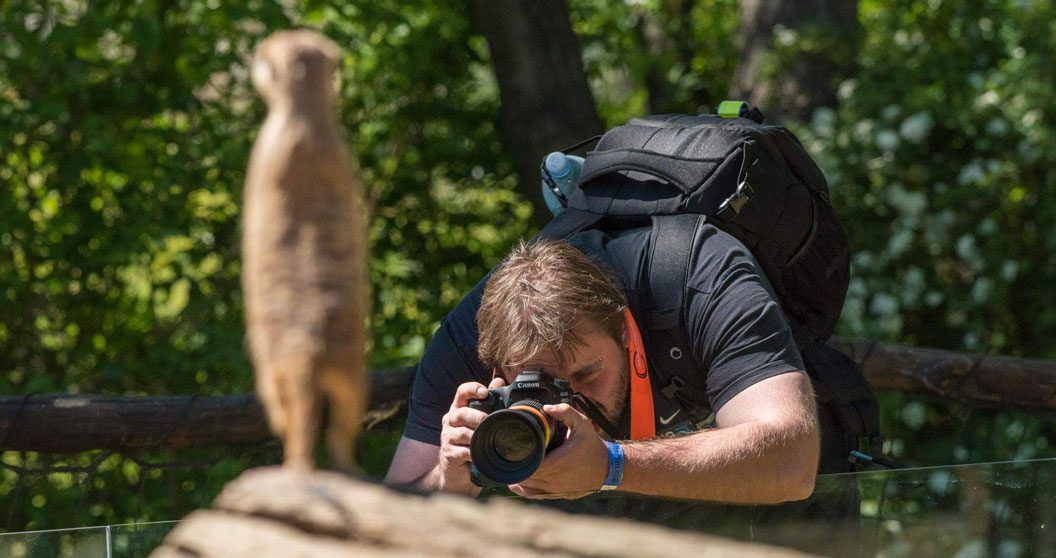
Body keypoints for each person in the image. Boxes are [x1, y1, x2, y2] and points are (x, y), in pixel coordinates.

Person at [385, 222, 833, 504]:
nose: (569, 405)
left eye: (585, 374)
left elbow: (791, 464)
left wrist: (609, 465)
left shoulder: (704, 279)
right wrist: (450, 476)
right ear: (496, 371)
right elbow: (384, 525)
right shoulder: (464, 342)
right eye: (538, 383)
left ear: (623, 331)